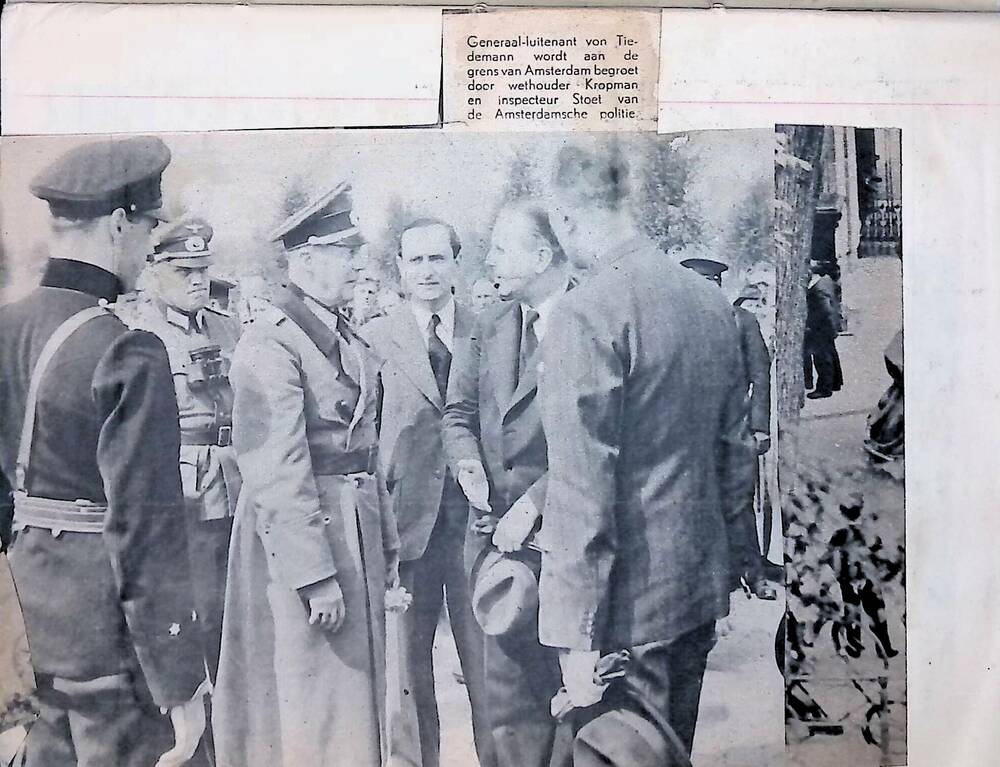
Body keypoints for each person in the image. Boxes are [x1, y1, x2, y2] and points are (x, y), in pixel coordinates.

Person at [538, 144, 757, 765]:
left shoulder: (586, 311)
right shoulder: (708, 301)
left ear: (566, 217)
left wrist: (575, 635)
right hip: (695, 589)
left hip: (625, 608)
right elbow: (736, 453)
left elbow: (581, 486)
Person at [0, 137, 208, 766]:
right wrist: (180, 682)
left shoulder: (5, 328)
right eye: (148, 228)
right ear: (118, 224)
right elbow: (146, 530)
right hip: (110, 643)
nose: (148, 247)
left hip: (25, 624)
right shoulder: (127, 350)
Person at [213, 183, 399, 767]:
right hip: (302, 542)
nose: (359, 265)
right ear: (306, 259)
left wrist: (387, 543)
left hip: (351, 528)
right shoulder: (270, 343)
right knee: (311, 703)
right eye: (346, 252)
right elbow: (276, 470)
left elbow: (365, 450)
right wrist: (314, 576)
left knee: (352, 699)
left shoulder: (341, 333)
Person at [443, 199, 575, 767]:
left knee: (575, 697)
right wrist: (467, 462)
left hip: (569, 544)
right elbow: (457, 413)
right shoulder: (490, 325)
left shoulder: (591, 321)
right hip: (496, 546)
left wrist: (538, 500)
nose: (489, 259)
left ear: (542, 256)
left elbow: (608, 436)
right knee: (508, 706)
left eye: (501, 248)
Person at [363, 218, 496, 767]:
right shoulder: (374, 337)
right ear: (399, 267)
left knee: (488, 666)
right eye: (415, 260)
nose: (426, 271)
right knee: (409, 673)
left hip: (475, 526)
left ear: (456, 263)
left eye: (437, 259)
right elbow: (367, 432)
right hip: (406, 524)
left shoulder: (489, 330)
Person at [125, 218, 241, 686]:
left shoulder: (228, 327)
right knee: (204, 614)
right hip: (186, 491)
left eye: (202, 270)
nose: (197, 281)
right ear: (154, 273)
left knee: (243, 610)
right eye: (183, 272)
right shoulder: (139, 334)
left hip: (238, 480)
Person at [681, 259, 777, 599]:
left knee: (739, 504)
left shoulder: (742, 321)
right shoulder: (678, 325)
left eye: (709, 283)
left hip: (736, 431)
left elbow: (760, 376)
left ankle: (754, 573)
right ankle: (713, 579)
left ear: (718, 285)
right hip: (691, 434)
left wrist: (760, 426)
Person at [803, 259, 843, 399]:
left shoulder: (818, 288)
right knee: (830, 354)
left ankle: (824, 389)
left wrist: (811, 324)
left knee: (822, 358)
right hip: (828, 325)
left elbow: (825, 309)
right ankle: (835, 383)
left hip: (821, 326)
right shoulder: (827, 282)